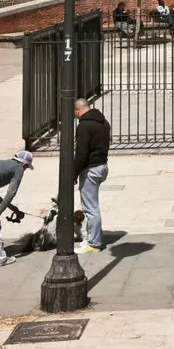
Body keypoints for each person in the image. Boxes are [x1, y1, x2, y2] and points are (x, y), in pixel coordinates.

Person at [72, 98, 111, 252]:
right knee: (93, 205)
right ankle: (93, 236)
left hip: (91, 169)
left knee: (90, 208)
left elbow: (81, 152)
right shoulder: (104, 122)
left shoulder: (84, 126)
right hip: (102, 166)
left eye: (74, 113)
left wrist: (74, 173)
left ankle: (93, 243)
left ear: (77, 109)